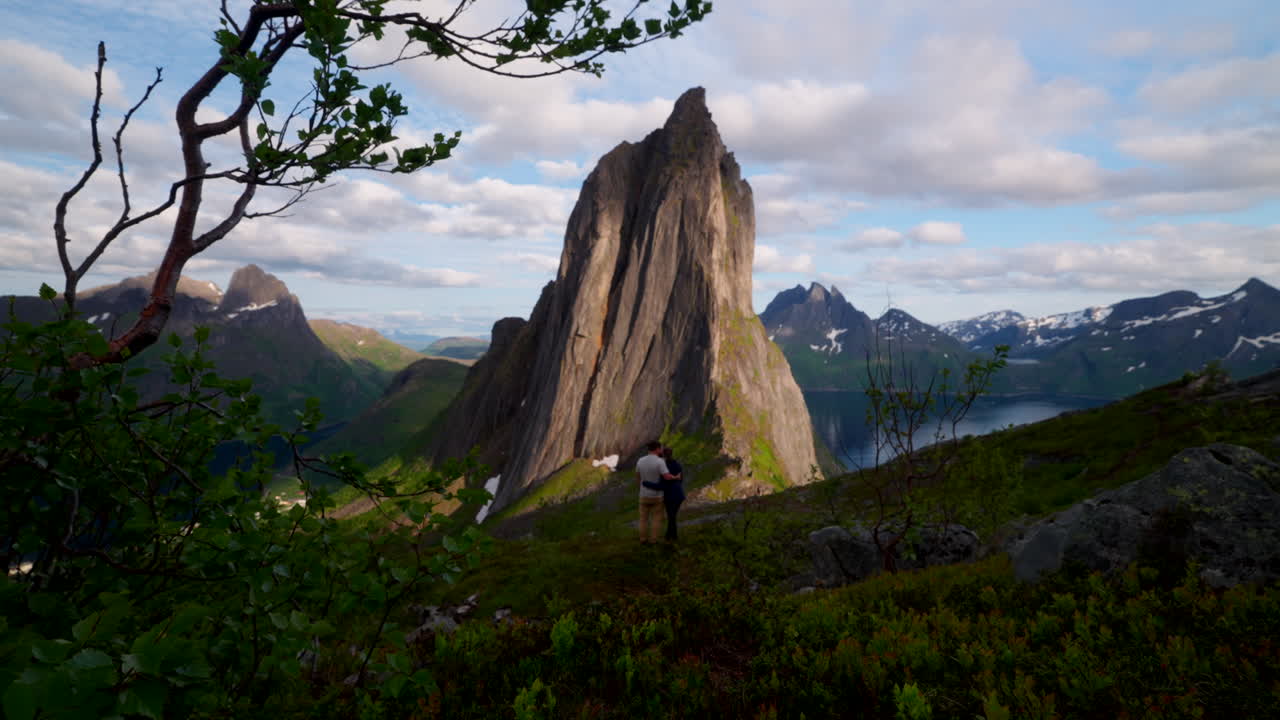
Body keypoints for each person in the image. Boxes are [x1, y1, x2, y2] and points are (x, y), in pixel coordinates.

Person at [643, 447, 685, 542]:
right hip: (679, 495)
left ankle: (672, 538)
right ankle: (670, 537)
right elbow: (681, 479)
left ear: (664, 456)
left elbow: (661, 486)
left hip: (670, 496)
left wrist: (646, 483)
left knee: (671, 517)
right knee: (672, 517)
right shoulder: (677, 464)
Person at [635, 440, 674, 544]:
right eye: (660, 448)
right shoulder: (660, 462)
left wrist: (640, 489)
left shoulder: (640, 460)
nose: (661, 450)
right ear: (657, 449)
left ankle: (643, 539)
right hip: (657, 496)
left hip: (643, 495)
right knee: (656, 518)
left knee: (643, 519)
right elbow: (666, 477)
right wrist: (675, 476)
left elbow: (638, 477)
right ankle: (653, 540)